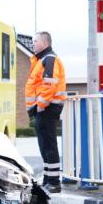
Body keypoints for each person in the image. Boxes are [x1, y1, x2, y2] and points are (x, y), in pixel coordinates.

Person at [25, 31, 67, 194]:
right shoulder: (42, 59)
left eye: (35, 41)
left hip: (47, 108)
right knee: (45, 146)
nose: (33, 44)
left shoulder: (49, 59)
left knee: (49, 145)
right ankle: (48, 180)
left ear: (44, 43)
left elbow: (50, 84)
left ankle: (54, 182)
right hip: (43, 109)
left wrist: (41, 104)